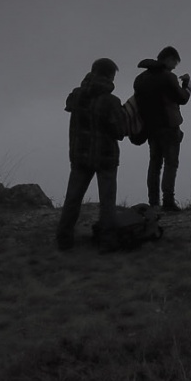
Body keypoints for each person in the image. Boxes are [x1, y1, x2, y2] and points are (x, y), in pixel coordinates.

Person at [57, 58, 125, 252]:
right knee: (107, 202)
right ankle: (107, 242)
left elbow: (69, 104)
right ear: (110, 76)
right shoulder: (111, 101)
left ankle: (63, 239)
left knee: (73, 198)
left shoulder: (76, 95)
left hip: (80, 155)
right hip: (105, 157)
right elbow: (120, 131)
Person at [133, 46, 191, 212]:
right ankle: (168, 201)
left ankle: (153, 202)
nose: (174, 67)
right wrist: (187, 84)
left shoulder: (140, 79)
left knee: (154, 164)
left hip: (150, 127)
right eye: (175, 62)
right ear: (169, 59)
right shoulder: (168, 77)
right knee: (171, 163)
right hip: (169, 126)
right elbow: (182, 98)